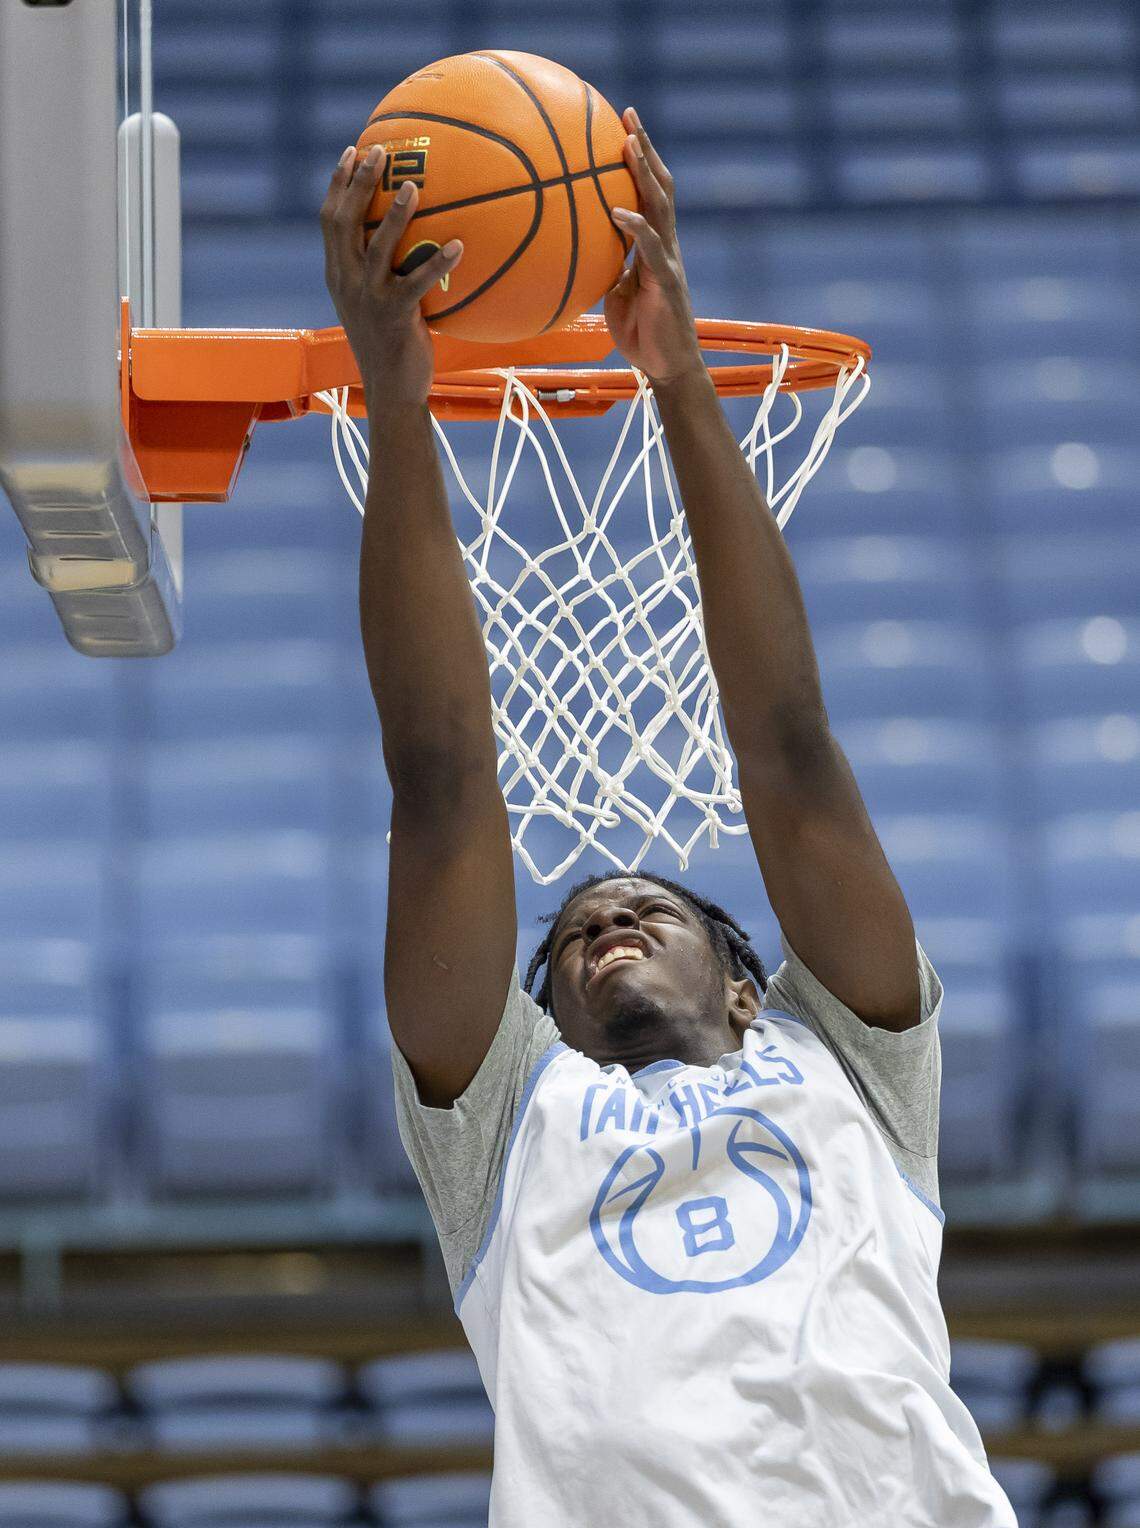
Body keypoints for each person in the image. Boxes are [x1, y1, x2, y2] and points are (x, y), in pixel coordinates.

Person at [322, 110, 1017, 1528]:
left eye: (651, 910)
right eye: (571, 935)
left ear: (753, 984)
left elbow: (790, 750)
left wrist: (679, 377)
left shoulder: (861, 1069)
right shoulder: (511, 1121)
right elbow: (444, 781)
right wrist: (398, 399)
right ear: (547, 1021)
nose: (605, 919)